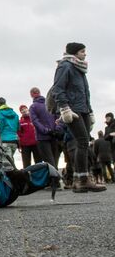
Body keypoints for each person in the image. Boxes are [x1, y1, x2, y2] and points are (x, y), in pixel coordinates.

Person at [52, 42, 105, 192]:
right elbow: (58, 89)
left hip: (84, 109)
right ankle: (83, 179)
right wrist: (64, 108)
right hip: (73, 109)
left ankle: (77, 180)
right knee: (82, 142)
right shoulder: (65, 66)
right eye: (82, 51)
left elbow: (85, 92)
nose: (85, 54)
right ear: (74, 53)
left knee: (84, 142)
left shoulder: (80, 68)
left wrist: (91, 111)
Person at [28, 87, 57, 168]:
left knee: (49, 161)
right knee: (55, 159)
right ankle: (57, 178)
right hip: (54, 135)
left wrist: (45, 130)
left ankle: (53, 179)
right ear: (39, 93)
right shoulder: (50, 104)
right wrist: (56, 130)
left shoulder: (33, 107)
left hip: (42, 137)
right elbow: (57, 117)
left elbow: (35, 121)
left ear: (32, 95)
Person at [0, 97, 20, 164]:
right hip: (14, 141)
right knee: (11, 160)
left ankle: (10, 174)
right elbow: (18, 128)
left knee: (6, 163)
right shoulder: (15, 114)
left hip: (4, 141)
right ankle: (14, 173)